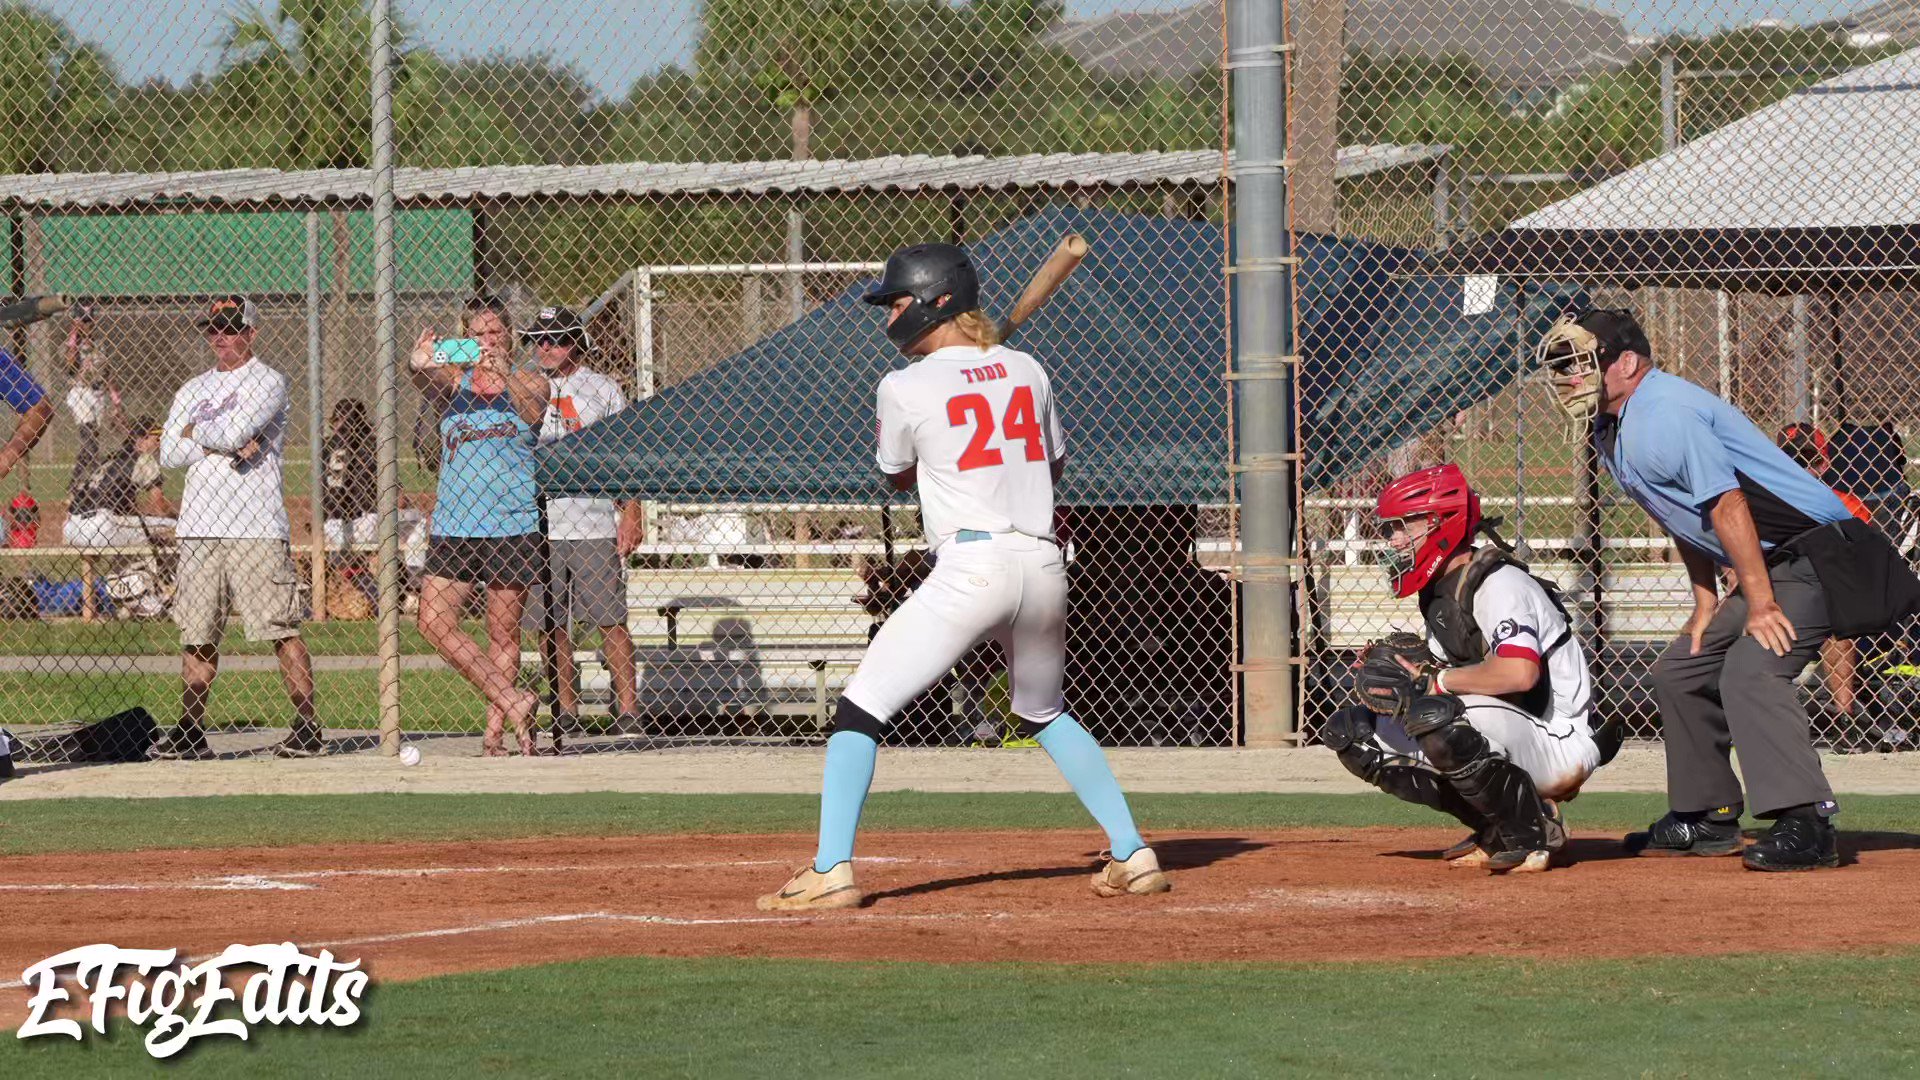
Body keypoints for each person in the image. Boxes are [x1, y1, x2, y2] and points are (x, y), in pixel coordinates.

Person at [757, 242, 1169, 912]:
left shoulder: (903, 385)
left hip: (973, 567)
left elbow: (896, 474)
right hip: (1042, 564)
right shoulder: (1026, 368)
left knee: (860, 707)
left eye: (895, 301)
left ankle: (833, 868)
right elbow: (1052, 468)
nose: (888, 315)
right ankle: (1132, 852)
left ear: (934, 301)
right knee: (1043, 711)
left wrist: (949, 433)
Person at [1537, 307, 1861, 871]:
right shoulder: (1612, 423)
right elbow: (1681, 512)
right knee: (1681, 668)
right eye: (1562, 365)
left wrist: (1758, 604)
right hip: (1772, 562)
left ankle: (1808, 823)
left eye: (1582, 363)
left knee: (1753, 668)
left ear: (1628, 363)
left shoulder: (1666, 410)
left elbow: (1727, 502)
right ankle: (1706, 815)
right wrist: (1705, 601)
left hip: (1821, 556)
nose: (1569, 376)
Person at [1326, 464, 1619, 873]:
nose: (1392, 541)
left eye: (1401, 527)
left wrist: (1434, 681)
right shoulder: (1441, 591)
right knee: (1353, 733)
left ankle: (1531, 833)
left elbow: (1519, 674)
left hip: (1559, 737)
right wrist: (1410, 674)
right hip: (1507, 727)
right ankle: (1496, 826)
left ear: (1440, 524)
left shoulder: (1499, 583)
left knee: (1435, 714)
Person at [155, 297, 320, 759]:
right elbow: (168, 454)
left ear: (250, 332)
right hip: (199, 526)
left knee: (280, 629)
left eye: (230, 327)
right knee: (197, 633)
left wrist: (196, 436)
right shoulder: (191, 388)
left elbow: (223, 436)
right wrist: (219, 442)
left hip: (256, 525)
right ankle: (190, 730)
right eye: (212, 329)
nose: (220, 337)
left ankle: (307, 724)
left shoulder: (269, 381)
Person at [410, 293, 548, 757]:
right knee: (432, 622)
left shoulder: (531, 380)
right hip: (456, 522)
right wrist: (420, 360)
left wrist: (501, 369)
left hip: (512, 522)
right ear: (464, 339)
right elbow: (424, 379)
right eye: (477, 334)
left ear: (509, 335)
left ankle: (496, 735)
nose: (488, 341)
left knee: (503, 633)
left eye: (495, 332)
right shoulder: (455, 385)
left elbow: (532, 411)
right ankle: (513, 700)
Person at [518, 306, 643, 744]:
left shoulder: (602, 389)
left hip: (591, 520)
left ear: (577, 341)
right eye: (539, 339)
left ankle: (628, 711)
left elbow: (627, 456)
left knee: (611, 619)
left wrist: (630, 511)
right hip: (539, 523)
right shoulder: (522, 387)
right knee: (550, 624)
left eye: (556, 339)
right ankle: (565, 709)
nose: (546, 347)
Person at [63, 416, 174, 619]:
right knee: (174, 526)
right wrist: (176, 517)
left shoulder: (110, 458)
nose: (159, 445)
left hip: (72, 526)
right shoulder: (144, 459)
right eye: (155, 439)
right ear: (140, 439)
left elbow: (73, 499)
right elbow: (159, 505)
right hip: (102, 524)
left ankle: (128, 597)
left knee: (135, 532)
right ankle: (168, 590)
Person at [63, 301, 119, 490]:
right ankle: (79, 484)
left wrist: (116, 400)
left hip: (98, 393)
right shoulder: (70, 345)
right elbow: (70, 365)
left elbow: (107, 373)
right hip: (79, 392)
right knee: (90, 443)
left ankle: (81, 483)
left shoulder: (101, 345)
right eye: (83, 321)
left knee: (92, 444)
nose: (87, 325)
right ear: (76, 322)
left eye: (89, 321)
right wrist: (74, 336)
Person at [321, 398, 377, 551]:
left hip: (330, 524)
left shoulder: (325, 445)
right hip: (366, 521)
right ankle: (413, 572)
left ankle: (342, 569)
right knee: (416, 522)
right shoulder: (371, 444)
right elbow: (399, 499)